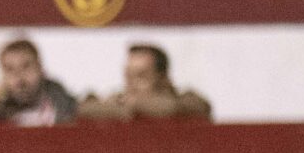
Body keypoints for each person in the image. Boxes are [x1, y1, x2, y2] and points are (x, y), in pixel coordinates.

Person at [78, 42, 214, 122]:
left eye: (141, 76)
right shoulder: (119, 99)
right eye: (128, 76)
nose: (132, 85)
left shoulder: (186, 100)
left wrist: (137, 105)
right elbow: (83, 109)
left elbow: (199, 107)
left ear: (162, 78)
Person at [0, 37, 77, 126]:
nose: (18, 76)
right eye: (10, 69)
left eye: (26, 66)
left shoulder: (69, 108)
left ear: (39, 68)